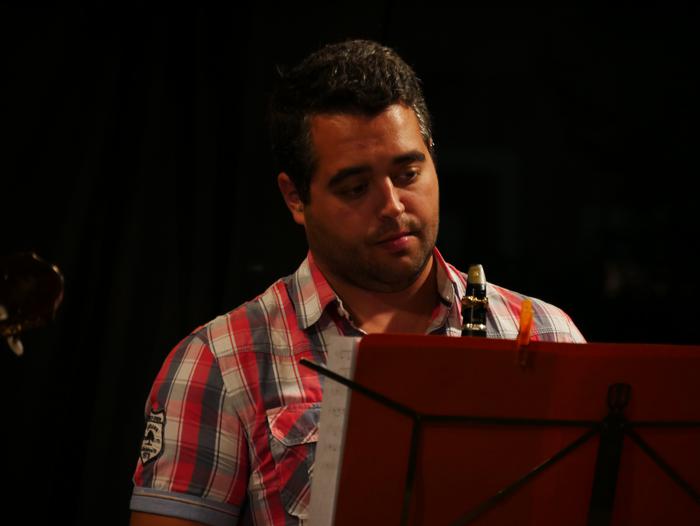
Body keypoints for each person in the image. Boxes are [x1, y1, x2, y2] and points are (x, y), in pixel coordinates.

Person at [129, 39, 585, 526]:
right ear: (295, 197)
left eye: (408, 173)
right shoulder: (216, 363)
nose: (392, 206)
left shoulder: (547, 333)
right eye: (355, 188)